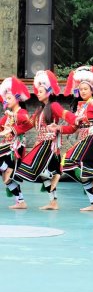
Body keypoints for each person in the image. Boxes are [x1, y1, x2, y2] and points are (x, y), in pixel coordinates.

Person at [15, 70, 76, 210]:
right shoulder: (39, 110)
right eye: (38, 91)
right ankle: (53, 202)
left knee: (29, 168)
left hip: (49, 145)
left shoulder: (53, 106)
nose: (37, 93)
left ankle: (55, 175)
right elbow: (28, 125)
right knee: (42, 176)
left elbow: (65, 115)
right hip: (41, 144)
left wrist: (75, 120)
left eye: (41, 91)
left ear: (48, 91)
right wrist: (12, 130)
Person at [59, 65, 93, 211]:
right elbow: (73, 128)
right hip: (84, 140)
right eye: (80, 89)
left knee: (72, 159)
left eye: (85, 89)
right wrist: (59, 129)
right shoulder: (80, 107)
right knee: (71, 166)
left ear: (92, 90)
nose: (82, 91)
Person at [0, 77, 33, 209]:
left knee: (7, 173)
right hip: (6, 146)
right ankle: (20, 201)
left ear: (17, 98)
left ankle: (7, 169)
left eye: (9, 98)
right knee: (6, 177)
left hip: (15, 147)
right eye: (5, 99)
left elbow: (27, 120)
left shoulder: (20, 112)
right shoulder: (7, 115)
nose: (6, 101)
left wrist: (12, 116)